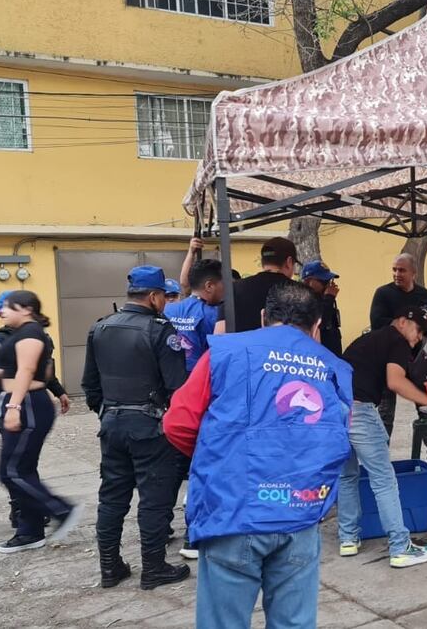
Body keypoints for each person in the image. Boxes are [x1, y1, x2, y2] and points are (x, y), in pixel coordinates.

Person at [164, 282, 352, 628]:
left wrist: (220, 458)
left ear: (264, 317)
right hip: (300, 513)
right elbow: (336, 439)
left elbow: (178, 423)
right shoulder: (333, 369)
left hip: (232, 511)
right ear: (317, 326)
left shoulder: (224, 352)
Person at [82, 265, 191, 590]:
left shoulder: (100, 327)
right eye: (164, 297)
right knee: (154, 498)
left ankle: (109, 567)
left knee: (112, 497)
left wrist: (108, 413)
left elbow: (90, 385)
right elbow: (177, 387)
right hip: (150, 426)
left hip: (112, 423)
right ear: (155, 296)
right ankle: (154, 567)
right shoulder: (161, 330)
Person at [338, 307, 427, 568]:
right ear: (402, 321)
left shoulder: (369, 339)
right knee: (384, 480)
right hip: (359, 410)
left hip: (334, 411)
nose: (417, 339)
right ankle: (400, 547)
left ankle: (348, 538)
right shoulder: (397, 340)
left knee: (347, 476)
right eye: (418, 331)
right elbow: (396, 381)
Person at [0, 290, 80, 553]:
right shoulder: (21, 333)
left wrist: (13, 407)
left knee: (10, 472)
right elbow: (19, 369)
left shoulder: (31, 334)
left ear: (26, 309)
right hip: (24, 400)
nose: (3, 311)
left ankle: (61, 510)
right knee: (23, 470)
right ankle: (30, 532)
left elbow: (28, 371)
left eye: (8, 307)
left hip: (27, 403)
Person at [163, 259, 224, 561]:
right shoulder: (214, 314)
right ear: (210, 285)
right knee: (204, 466)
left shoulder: (171, 311)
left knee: (174, 470)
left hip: (176, 396)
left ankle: (162, 527)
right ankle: (193, 535)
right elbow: (220, 354)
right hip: (205, 396)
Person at [367, 254, 427, 468]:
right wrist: (410, 323)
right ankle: (381, 460)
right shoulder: (383, 294)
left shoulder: (423, 294)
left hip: (417, 360)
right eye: (394, 269)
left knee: (426, 408)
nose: (397, 274)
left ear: (413, 273)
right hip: (388, 360)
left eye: (401, 270)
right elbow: (377, 324)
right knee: (386, 413)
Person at [215, 236, 297, 333]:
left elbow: (219, 334)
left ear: (263, 263)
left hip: (242, 343)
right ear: (289, 262)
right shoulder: (302, 294)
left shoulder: (234, 289)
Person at [164, 259, 224, 373]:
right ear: (209, 286)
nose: (226, 289)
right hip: (200, 377)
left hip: (171, 376)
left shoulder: (167, 310)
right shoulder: (216, 314)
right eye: (223, 283)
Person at [300, 259, 343, 356]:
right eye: (323, 281)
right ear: (308, 281)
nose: (328, 285)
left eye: (329, 281)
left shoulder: (324, 299)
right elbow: (320, 321)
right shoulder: (302, 300)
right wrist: (329, 297)